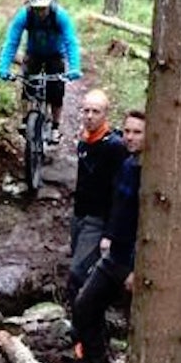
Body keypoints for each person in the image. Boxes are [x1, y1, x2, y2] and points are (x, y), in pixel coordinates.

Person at [70, 110, 145, 363]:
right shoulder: (127, 165)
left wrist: (136, 267)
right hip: (114, 256)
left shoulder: (154, 175)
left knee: (136, 325)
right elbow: (119, 208)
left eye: (137, 132)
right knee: (85, 307)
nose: (130, 137)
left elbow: (150, 224)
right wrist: (108, 238)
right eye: (127, 131)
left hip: (135, 263)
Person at [0, 0, 83, 144]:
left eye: (43, 8)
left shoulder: (60, 16)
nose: (40, 12)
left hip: (55, 54)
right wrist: (3, 67)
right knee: (27, 85)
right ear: (32, 6)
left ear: (49, 5)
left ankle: (55, 127)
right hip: (33, 53)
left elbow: (71, 42)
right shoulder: (24, 15)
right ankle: (25, 119)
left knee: (56, 90)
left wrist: (74, 67)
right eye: (37, 8)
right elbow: (12, 42)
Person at [68, 89, 127, 302]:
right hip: (80, 214)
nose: (90, 116)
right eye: (86, 111)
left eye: (96, 112)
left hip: (99, 218)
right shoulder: (85, 141)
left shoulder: (115, 147)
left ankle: (85, 321)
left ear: (105, 115)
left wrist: (110, 233)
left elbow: (119, 192)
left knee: (78, 270)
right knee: (78, 265)